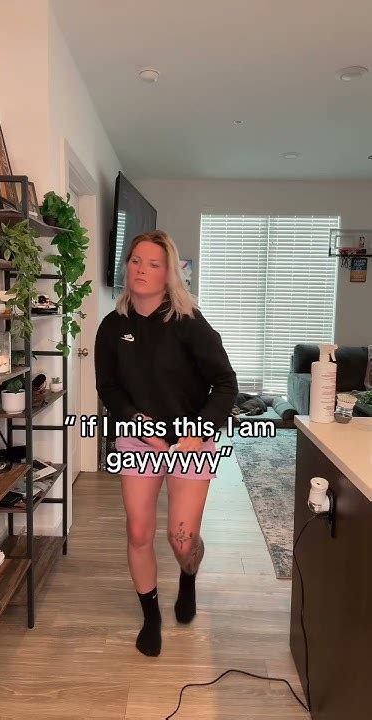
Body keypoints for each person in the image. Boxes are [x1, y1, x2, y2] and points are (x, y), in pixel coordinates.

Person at [94, 230, 238, 657]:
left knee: (182, 538)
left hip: (191, 442)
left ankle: (188, 576)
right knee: (139, 531)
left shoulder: (188, 322)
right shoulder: (112, 327)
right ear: (127, 267)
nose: (142, 269)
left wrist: (198, 432)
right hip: (139, 441)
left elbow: (225, 383)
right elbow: (108, 387)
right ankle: (151, 617)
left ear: (168, 273)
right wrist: (137, 422)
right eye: (136, 261)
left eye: (153, 264)